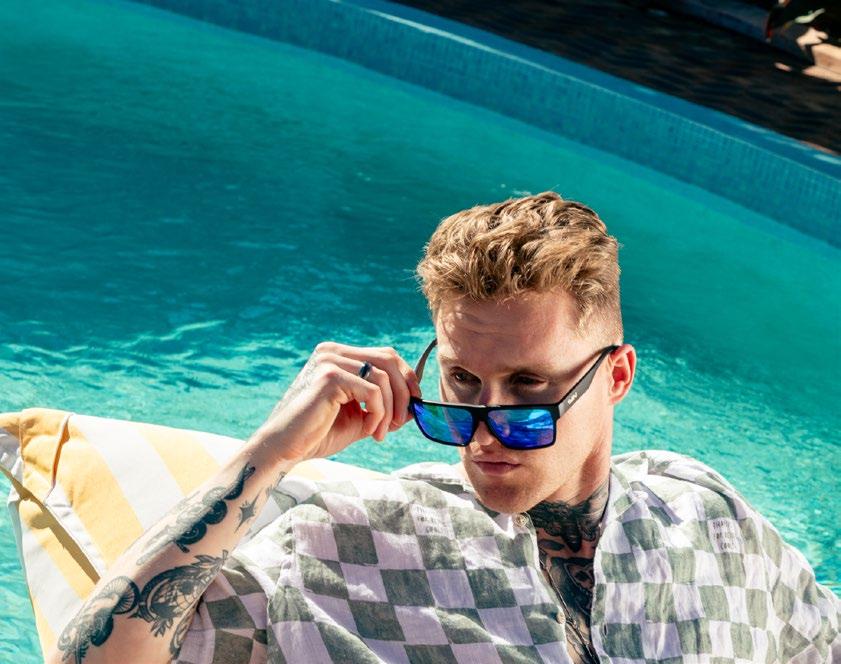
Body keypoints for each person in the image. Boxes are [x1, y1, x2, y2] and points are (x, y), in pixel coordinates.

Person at [49, 192, 839, 664]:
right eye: (461, 384)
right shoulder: (343, 546)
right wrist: (267, 454)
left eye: (527, 389)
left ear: (617, 377)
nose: (484, 433)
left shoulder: (701, 517)